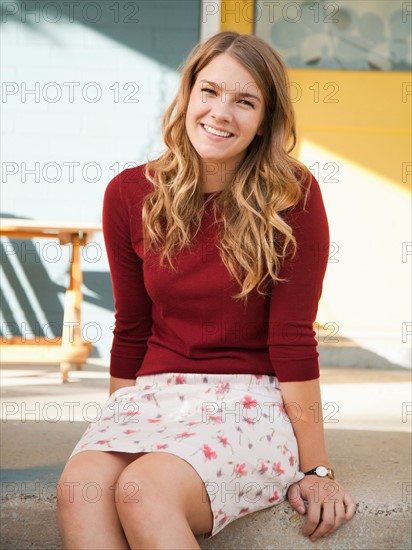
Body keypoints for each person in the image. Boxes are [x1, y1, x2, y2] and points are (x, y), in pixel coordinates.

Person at [57, 31, 356, 549]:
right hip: (154, 393)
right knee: (80, 491)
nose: (221, 112)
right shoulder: (129, 193)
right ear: (189, 94)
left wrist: (317, 469)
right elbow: (131, 326)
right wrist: (119, 428)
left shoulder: (293, 195)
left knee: (143, 491)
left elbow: (292, 337)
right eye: (210, 91)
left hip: (250, 400)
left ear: (266, 120)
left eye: (245, 101)